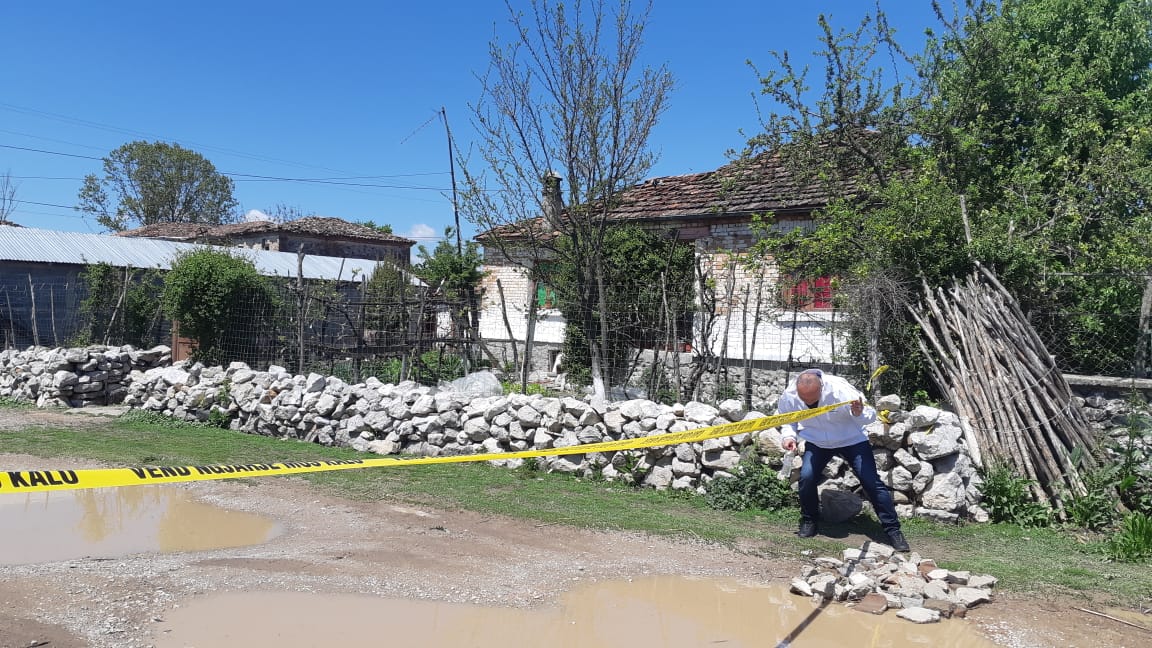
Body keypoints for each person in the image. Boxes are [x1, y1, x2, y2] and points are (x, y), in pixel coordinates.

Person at [776, 368, 910, 552]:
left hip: (852, 440)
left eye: (813, 400)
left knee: (871, 481)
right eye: (804, 401)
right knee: (806, 477)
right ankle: (809, 520)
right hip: (818, 442)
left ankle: (893, 530)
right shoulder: (789, 394)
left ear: (822, 387)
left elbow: (869, 416)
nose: (809, 404)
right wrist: (788, 437)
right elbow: (787, 420)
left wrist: (858, 413)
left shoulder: (840, 389)